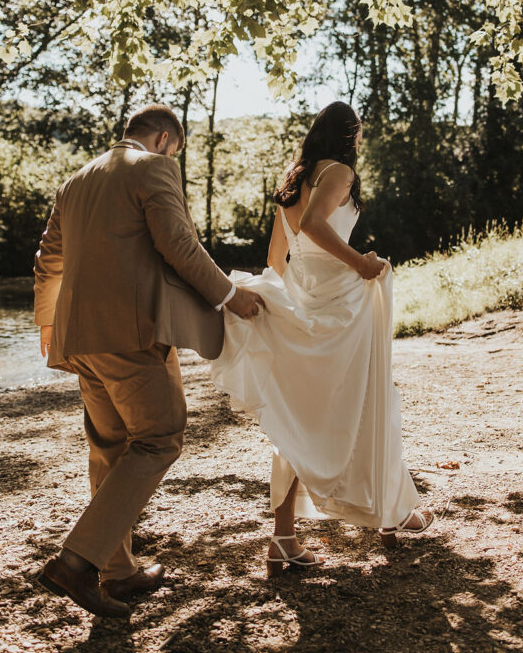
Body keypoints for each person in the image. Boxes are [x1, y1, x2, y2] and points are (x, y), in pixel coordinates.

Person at [33, 103, 263, 617]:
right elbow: (177, 242)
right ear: (163, 140)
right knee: (160, 435)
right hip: (130, 334)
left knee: (111, 445)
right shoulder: (155, 167)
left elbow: (49, 259)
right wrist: (230, 296)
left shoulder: (76, 179)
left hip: (79, 338)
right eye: (175, 150)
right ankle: (75, 563)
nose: (173, 157)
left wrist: (50, 328)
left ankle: (118, 573)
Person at [210, 101, 433, 576]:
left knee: (300, 420)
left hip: (309, 300)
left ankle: (287, 537)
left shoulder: (297, 177)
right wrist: (362, 264)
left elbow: (276, 256)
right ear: (350, 135)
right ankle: (390, 515)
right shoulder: (340, 172)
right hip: (342, 306)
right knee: (372, 401)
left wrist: (290, 305)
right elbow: (314, 227)